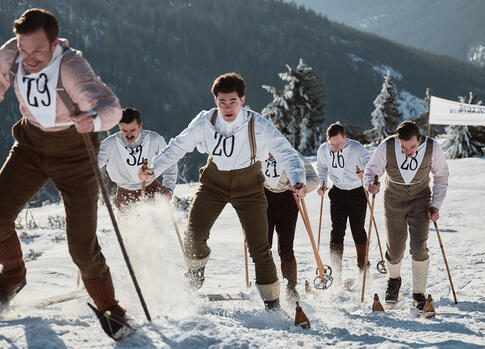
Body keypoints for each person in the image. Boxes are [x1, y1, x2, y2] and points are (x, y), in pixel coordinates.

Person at [0, 9, 130, 338]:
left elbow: (111, 107)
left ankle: (112, 312)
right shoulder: (12, 55)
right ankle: (13, 276)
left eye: (38, 51)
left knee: (81, 247)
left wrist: (95, 119)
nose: (28, 58)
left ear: (54, 43)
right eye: (23, 48)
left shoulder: (70, 66)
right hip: (31, 145)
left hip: (75, 154)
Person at [139, 73, 307, 310]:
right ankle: (196, 273)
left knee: (260, 248)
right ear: (215, 101)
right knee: (193, 236)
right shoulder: (204, 122)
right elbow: (178, 146)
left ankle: (273, 306)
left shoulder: (257, 124)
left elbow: (286, 152)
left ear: (242, 100)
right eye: (222, 102)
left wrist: (298, 179)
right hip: (213, 184)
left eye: (233, 101)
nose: (228, 107)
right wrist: (154, 169)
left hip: (249, 187)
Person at [364, 121, 448, 310]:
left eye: (412, 146)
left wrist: (436, 205)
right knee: (394, 249)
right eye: (403, 147)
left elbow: (441, 176)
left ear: (419, 139)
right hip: (393, 198)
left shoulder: (432, 147)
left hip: (421, 199)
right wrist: (371, 184)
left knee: (419, 246)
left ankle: (418, 292)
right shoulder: (387, 145)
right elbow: (370, 171)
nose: (408, 151)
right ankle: (394, 281)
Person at [316, 122, 371, 280]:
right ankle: (335, 270)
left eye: (339, 143)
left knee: (358, 230)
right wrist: (322, 183)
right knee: (337, 231)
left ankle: (363, 267)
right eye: (332, 144)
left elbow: (369, 164)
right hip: (338, 192)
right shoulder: (324, 149)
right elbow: (321, 167)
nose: (336, 147)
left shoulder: (356, 147)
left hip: (357, 192)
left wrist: (364, 174)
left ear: (345, 138)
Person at [263, 151, 318, 301]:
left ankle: (291, 289)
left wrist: (302, 187)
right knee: (263, 247)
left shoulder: (291, 154)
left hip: (288, 200)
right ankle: (267, 286)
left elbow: (314, 179)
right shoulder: (257, 153)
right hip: (264, 199)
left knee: (286, 248)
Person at [98, 107, 177, 210]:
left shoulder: (154, 139)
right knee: (130, 226)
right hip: (125, 193)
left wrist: (168, 188)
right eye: (124, 130)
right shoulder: (110, 145)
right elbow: (92, 164)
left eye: (132, 130)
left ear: (140, 126)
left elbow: (169, 162)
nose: (129, 135)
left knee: (159, 223)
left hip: (152, 187)